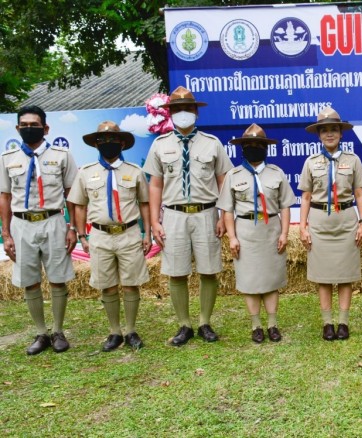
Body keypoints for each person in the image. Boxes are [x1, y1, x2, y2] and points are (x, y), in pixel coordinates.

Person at [143, 86, 233, 346]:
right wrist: (155, 221)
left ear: (196, 111)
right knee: (176, 272)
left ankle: (205, 322)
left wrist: (222, 216)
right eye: (177, 109)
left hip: (206, 213)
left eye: (187, 108)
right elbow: (155, 185)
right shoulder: (160, 145)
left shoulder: (212, 143)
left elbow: (223, 181)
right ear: (170, 114)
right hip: (174, 215)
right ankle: (184, 325)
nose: (183, 113)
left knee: (208, 270)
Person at [0, 105, 78, 355]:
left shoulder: (62, 156)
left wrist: (73, 228)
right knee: (29, 281)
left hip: (53, 221)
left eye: (34, 125)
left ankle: (57, 331)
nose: (29, 129)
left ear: (45, 128)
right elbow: (4, 197)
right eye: (24, 125)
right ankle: (41, 333)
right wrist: (6, 234)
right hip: (21, 225)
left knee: (57, 279)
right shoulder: (7, 159)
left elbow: (71, 196)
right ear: (17, 129)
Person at [68, 121, 151, 351]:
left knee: (132, 284)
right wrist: (82, 236)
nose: (107, 144)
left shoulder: (134, 172)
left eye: (113, 140)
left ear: (122, 143)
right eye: (102, 141)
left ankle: (131, 330)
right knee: (107, 285)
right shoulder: (86, 173)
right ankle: (115, 331)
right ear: (96, 144)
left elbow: (144, 204)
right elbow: (80, 206)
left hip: (129, 233)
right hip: (100, 235)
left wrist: (148, 234)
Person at [218, 124, 296, 343]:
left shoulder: (276, 173)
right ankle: (256, 326)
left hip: (271, 228)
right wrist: (232, 237)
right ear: (242, 148)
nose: (254, 148)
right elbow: (227, 210)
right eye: (249, 145)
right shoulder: (233, 176)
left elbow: (285, 206)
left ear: (266, 148)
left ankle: (272, 324)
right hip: (245, 231)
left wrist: (284, 233)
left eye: (259, 145)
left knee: (271, 279)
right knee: (250, 280)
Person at [298, 107, 362, 341]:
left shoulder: (353, 160)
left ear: (341, 133)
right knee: (323, 276)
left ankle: (344, 322)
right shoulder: (311, 162)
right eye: (325, 130)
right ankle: (328, 322)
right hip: (319, 223)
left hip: (347, 221)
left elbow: (359, 194)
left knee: (346, 275)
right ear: (319, 135)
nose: (330, 134)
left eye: (334, 129)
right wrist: (302, 226)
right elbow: (306, 197)